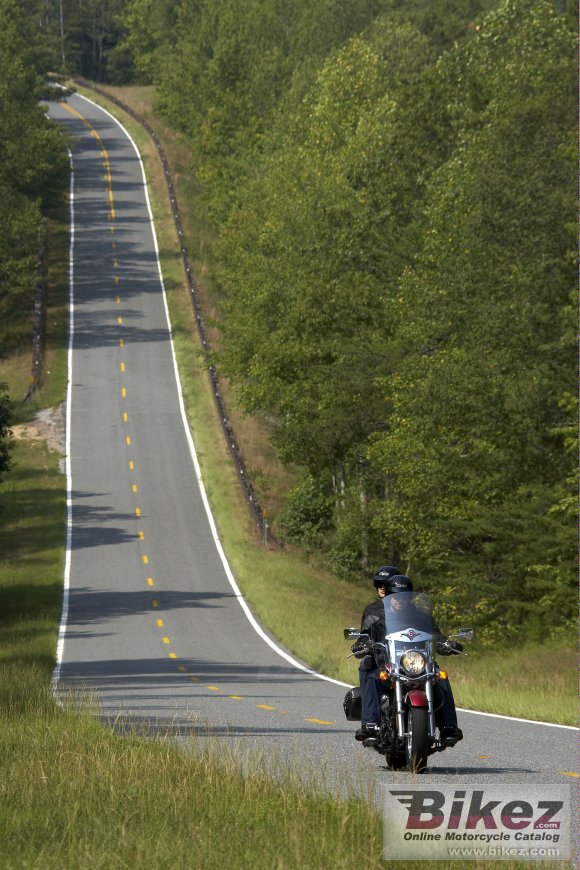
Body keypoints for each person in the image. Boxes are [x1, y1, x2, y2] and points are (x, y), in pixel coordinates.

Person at [352, 567, 463, 748]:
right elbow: (365, 635)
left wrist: (446, 643)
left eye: (403, 597)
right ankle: (370, 723)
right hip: (388, 661)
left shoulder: (421, 616)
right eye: (395, 596)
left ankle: (449, 727)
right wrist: (362, 643)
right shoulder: (375, 615)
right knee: (372, 676)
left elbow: (435, 633)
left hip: (416, 662)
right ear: (388, 595)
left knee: (440, 675)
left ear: (409, 597)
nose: (399, 600)